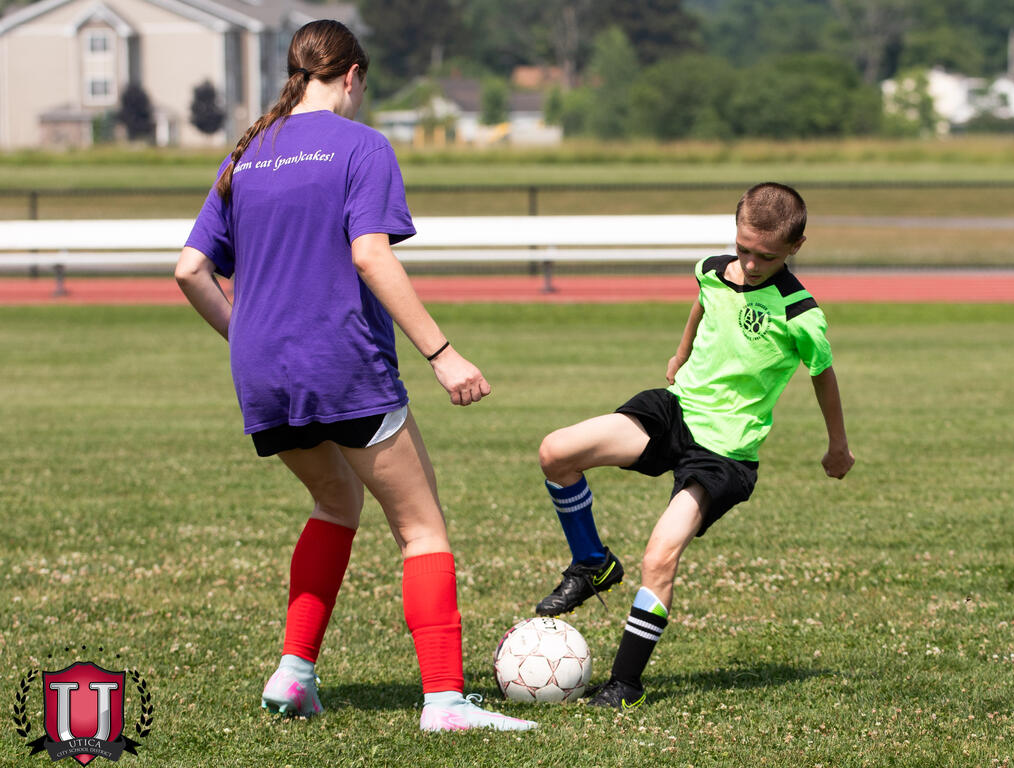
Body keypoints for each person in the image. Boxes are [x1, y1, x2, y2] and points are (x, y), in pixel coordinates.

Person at [175, 19, 534, 733]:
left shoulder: (246, 152)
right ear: (352, 76)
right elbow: (371, 255)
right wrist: (442, 353)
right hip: (342, 364)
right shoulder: (363, 146)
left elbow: (189, 271)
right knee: (421, 527)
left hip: (263, 375)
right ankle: (445, 703)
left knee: (335, 501)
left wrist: (247, 339)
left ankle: (294, 673)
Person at [533, 182, 855, 709]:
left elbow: (824, 376)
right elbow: (703, 304)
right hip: (676, 411)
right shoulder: (711, 268)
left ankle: (625, 685)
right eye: (743, 248)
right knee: (557, 452)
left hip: (724, 451)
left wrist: (837, 446)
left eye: (766, 256)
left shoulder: (800, 313)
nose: (750, 264)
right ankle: (592, 563)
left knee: (659, 555)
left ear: (795, 247)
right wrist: (680, 353)